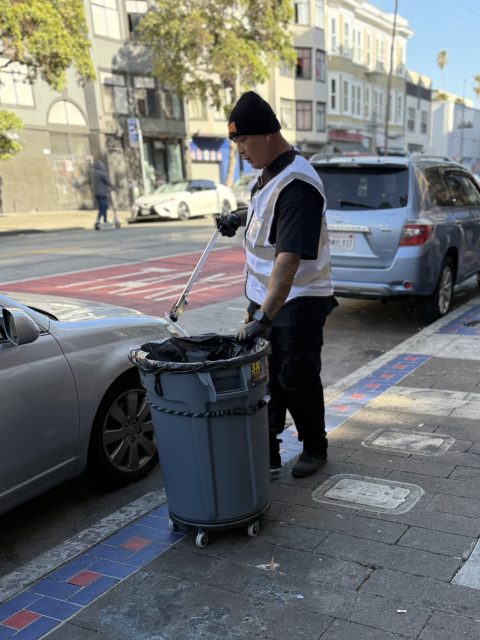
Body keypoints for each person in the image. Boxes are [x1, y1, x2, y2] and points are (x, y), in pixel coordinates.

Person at [217, 91, 338, 478]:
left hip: (298, 301)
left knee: (296, 376)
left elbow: (287, 259)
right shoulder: (270, 172)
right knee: (265, 377)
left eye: (245, 141)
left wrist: (263, 317)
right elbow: (265, 218)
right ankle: (268, 448)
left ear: (269, 134)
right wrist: (238, 218)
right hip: (267, 300)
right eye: (236, 144)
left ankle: (314, 446)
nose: (242, 151)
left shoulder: (298, 183)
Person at [91, 159, 114, 229]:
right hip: (102, 193)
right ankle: (103, 220)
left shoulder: (94, 173)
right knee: (104, 207)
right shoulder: (102, 173)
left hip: (96, 193)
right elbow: (107, 181)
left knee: (101, 207)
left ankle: (101, 220)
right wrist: (113, 187)